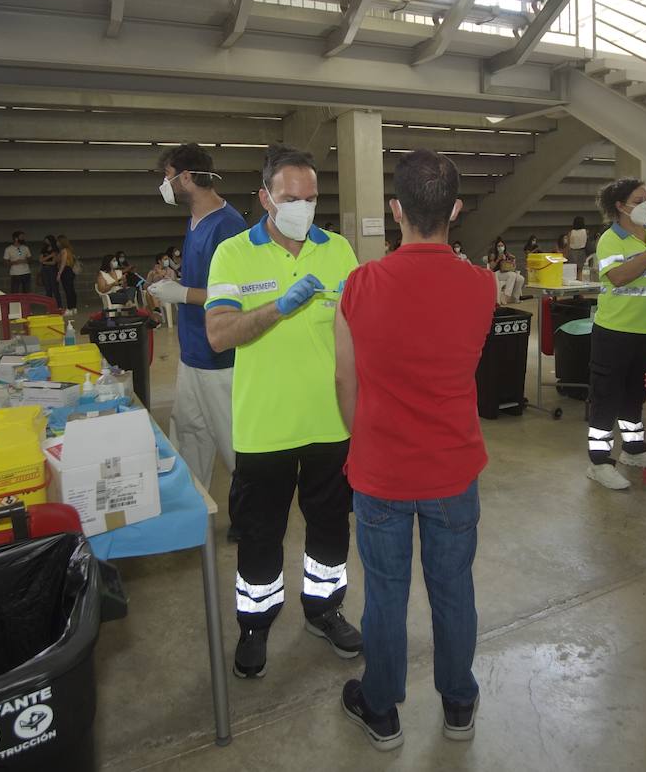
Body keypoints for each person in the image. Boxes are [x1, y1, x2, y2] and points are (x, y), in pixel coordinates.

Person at [334, 149, 495, 751]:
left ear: (396, 209)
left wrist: (365, 438)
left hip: (380, 472)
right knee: (454, 588)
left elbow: (345, 382)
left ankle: (381, 708)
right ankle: (458, 703)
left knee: (384, 592)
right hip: (453, 468)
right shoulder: (480, 286)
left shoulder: (360, 284)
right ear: (455, 209)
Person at [204, 147, 361, 680]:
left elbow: (357, 339)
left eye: (312, 198)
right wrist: (278, 307)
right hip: (264, 426)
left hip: (329, 422)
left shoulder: (339, 251)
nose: (303, 207)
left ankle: (324, 608)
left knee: (330, 529)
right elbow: (220, 335)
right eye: (292, 198)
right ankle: (256, 621)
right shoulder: (232, 253)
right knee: (260, 533)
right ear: (265, 197)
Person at [145, 143, 248, 504]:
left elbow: (239, 295)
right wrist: (172, 286)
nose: (165, 184)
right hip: (192, 353)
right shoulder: (195, 220)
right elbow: (200, 281)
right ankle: (193, 509)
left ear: (186, 178)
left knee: (235, 446)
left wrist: (182, 293)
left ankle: (250, 521)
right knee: (189, 433)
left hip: (220, 358)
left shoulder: (229, 226)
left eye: (168, 176)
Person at [584, 179, 646, 491]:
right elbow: (621, 277)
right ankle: (598, 461)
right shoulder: (611, 240)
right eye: (639, 199)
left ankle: (633, 449)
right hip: (615, 331)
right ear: (621, 207)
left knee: (636, 395)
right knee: (606, 397)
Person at [486, 237, 523, 306]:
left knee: (521, 279)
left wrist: (512, 261)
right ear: (496, 247)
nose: (500, 247)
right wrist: (498, 259)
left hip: (506, 271)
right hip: (496, 273)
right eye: (499, 246)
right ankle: (505, 296)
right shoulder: (493, 254)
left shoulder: (507, 254)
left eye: (502, 246)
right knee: (512, 275)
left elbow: (512, 266)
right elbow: (491, 267)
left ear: (504, 246)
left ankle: (514, 298)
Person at [3, 230, 33, 294]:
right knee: (15, 291)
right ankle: (15, 304)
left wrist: (25, 261)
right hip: (15, 274)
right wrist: (14, 262)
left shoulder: (25, 248)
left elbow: (30, 259)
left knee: (27, 292)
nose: (23, 238)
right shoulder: (8, 249)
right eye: (21, 237)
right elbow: (5, 262)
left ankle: (25, 303)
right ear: (16, 238)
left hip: (26, 272)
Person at [56, 235, 79, 314]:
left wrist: (59, 273)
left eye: (58, 241)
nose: (57, 243)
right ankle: (74, 307)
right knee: (71, 289)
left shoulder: (64, 251)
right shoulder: (69, 250)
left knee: (68, 290)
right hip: (70, 270)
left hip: (66, 270)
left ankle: (69, 308)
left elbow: (63, 263)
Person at [38, 234, 61, 305]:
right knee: (48, 289)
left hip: (52, 269)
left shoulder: (55, 249)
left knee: (55, 288)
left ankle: (59, 305)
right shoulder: (44, 249)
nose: (46, 242)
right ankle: (49, 306)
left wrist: (45, 261)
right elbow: (40, 260)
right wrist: (50, 256)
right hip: (45, 270)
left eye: (48, 240)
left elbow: (54, 262)